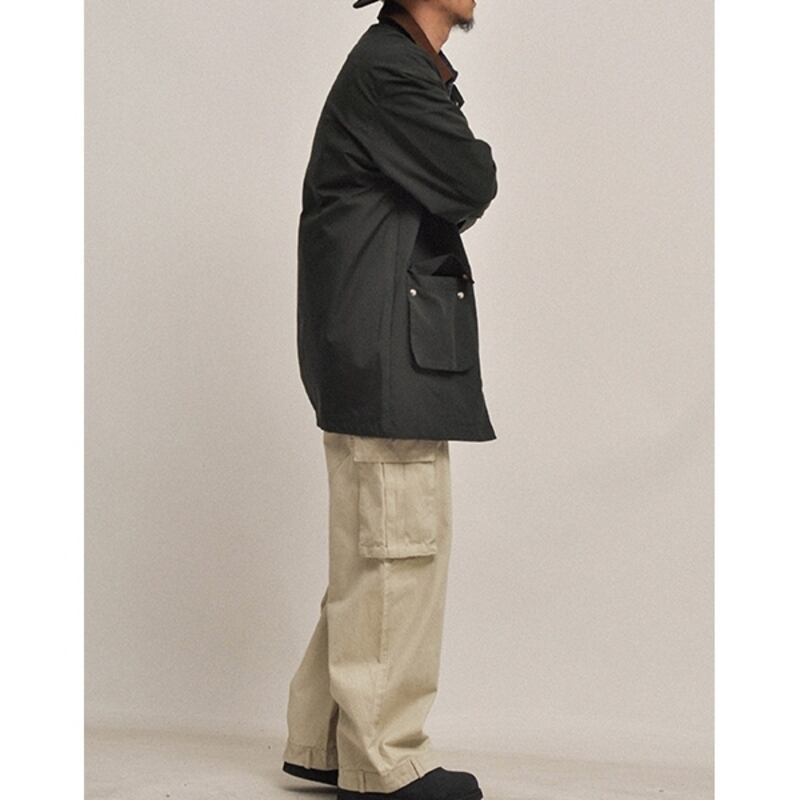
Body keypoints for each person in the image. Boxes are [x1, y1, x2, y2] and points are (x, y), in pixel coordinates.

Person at [282, 1, 497, 797]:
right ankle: (384, 762)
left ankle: (323, 741)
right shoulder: (392, 71)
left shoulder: (393, 66)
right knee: (397, 552)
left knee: (371, 552)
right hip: (387, 356)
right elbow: (470, 179)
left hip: (375, 350)